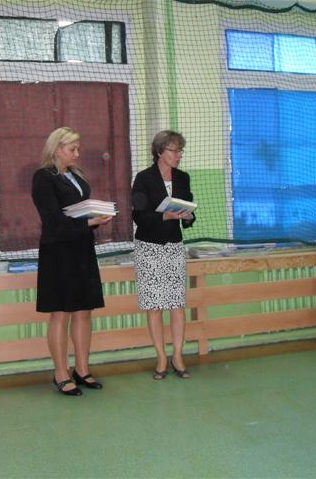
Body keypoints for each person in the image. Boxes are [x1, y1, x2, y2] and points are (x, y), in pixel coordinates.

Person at [31, 127, 112, 396]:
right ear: (57, 149)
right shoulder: (43, 178)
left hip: (82, 250)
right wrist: (89, 221)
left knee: (83, 311)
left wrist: (95, 219)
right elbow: (52, 222)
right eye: (72, 149)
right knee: (61, 313)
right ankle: (61, 373)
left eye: (78, 149)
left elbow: (78, 214)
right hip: (58, 253)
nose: (77, 154)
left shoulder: (76, 176)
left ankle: (82, 370)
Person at [132, 130, 196, 380]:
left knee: (177, 304)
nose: (179, 155)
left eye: (181, 151)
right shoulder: (144, 178)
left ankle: (177, 356)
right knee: (154, 305)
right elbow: (138, 215)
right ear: (160, 152)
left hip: (173, 245)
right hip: (149, 247)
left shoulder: (183, 178)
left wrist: (188, 216)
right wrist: (163, 216)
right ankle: (160, 358)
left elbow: (188, 210)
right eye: (174, 150)